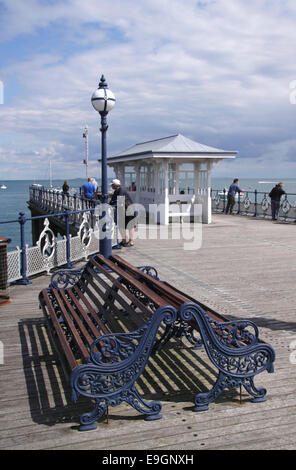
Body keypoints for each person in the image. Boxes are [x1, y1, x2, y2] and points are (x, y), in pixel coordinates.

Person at [110, 178, 136, 246]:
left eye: (112, 185)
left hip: (129, 209)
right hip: (124, 210)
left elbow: (120, 202)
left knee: (130, 226)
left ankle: (131, 241)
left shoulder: (121, 190)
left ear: (115, 185)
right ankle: (124, 240)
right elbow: (112, 202)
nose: (111, 186)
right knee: (121, 226)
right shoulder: (116, 191)